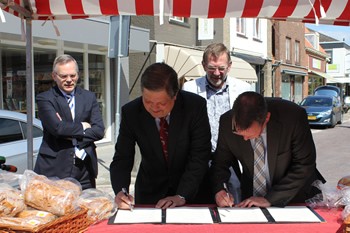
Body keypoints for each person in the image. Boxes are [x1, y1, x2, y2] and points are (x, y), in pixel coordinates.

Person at [110, 62, 211, 209]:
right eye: (148, 101)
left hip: (192, 192)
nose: (154, 108)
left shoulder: (194, 107)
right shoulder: (131, 112)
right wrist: (121, 191)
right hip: (150, 191)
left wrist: (182, 195)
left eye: (161, 103)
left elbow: (200, 155)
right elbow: (122, 157)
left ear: (175, 95)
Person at [211, 91, 326, 208]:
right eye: (239, 133)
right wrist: (220, 189)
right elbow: (220, 162)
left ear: (266, 118)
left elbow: (304, 164)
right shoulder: (226, 122)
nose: (245, 139)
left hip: (294, 197)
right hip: (251, 201)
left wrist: (270, 198)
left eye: (250, 134)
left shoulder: (293, 117)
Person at [182, 43, 251, 203]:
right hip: (199, 158)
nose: (217, 73)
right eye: (212, 68)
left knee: (232, 201)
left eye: (221, 68)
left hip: (232, 160)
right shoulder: (189, 88)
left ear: (230, 66)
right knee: (199, 202)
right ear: (204, 65)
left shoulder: (244, 89)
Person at [34, 54, 105, 189]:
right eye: (63, 76)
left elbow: (99, 130)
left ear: (78, 75)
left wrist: (68, 130)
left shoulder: (88, 97)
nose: (69, 80)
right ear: (54, 76)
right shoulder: (45, 99)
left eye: (73, 76)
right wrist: (83, 126)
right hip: (54, 169)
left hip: (84, 169)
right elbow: (57, 129)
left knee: (86, 207)